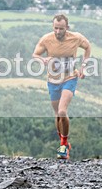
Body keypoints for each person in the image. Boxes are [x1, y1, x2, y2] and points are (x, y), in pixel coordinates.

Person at [32, 14, 91, 161]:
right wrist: (43, 59)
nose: (58, 32)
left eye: (61, 29)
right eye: (55, 28)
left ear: (67, 28)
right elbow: (35, 54)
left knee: (62, 111)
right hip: (52, 80)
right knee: (57, 114)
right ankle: (64, 142)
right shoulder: (46, 39)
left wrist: (83, 67)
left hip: (69, 77)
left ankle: (63, 145)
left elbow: (88, 47)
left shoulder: (75, 37)